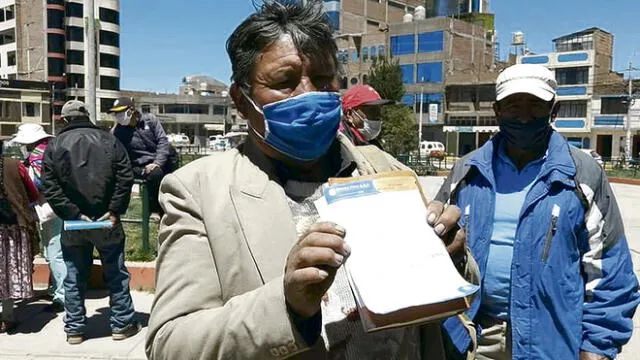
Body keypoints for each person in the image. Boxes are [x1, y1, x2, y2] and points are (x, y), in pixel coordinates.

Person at [146, 2, 477, 359]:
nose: (309, 94)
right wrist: (287, 305)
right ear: (241, 102)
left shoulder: (388, 172)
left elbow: (453, 295)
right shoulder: (198, 192)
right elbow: (170, 343)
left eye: (322, 79)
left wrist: (453, 255)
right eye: (284, 82)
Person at [435, 64, 640, 360]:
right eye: (513, 105)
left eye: (535, 105)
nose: (523, 115)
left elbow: (610, 270)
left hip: (549, 344)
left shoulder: (581, 175)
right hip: (470, 340)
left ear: (553, 111)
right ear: (497, 111)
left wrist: (597, 346)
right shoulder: (466, 171)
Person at [42, 100, 140, 345]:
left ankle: (74, 329)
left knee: (74, 276)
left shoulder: (54, 146)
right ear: (86, 115)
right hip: (107, 220)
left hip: (74, 225)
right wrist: (114, 210)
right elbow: (125, 177)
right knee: (116, 274)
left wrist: (72, 213)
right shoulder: (109, 140)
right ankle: (122, 324)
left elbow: (51, 186)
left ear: (64, 120)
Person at [12, 123, 65, 313]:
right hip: (60, 206)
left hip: (50, 208)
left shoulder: (38, 156)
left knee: (54, 253)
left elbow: (38, 185)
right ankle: (58, 289)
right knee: (54, 250)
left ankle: (62, 296)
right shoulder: (52, 148)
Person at [109, 97, 173, 222]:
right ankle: (119, 211)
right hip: (136, 165)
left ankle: (161, 210)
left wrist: (157, 162)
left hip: (158, 161)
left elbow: (162, 140)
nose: (118, 116)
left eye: (121, 112)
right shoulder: (116, 131)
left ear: (131, 110)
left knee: (158, 173)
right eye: (116, 114)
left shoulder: (150, 120)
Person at [0, 136, 39, 333]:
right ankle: (6, 317)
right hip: (12, 226)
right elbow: (33, 193)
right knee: (7, 270)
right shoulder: (15, 165)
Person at [340, 84, 392, 148]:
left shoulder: (373, 144)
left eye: (379, 111)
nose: (378, 116)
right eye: (371, 110)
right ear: (349, 114)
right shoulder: (340, 144)